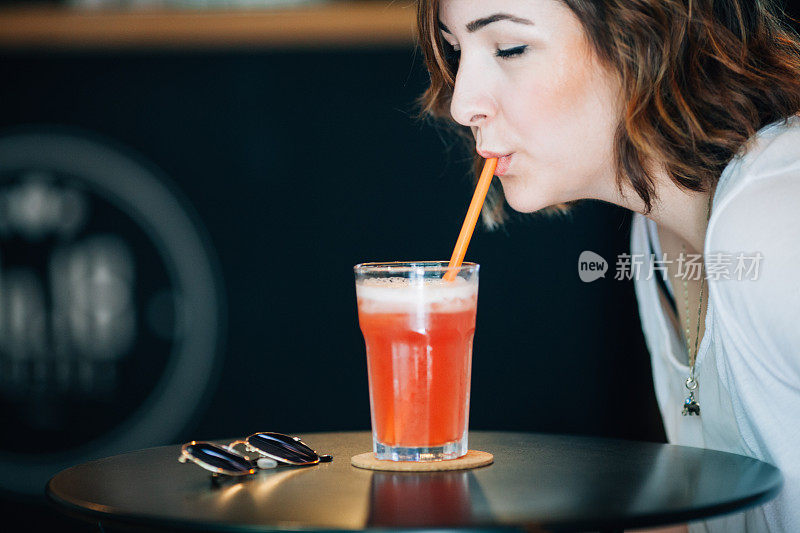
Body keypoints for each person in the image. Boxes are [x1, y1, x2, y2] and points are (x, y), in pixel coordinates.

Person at [415, 1, 800, 532]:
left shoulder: (776, 222)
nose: (462, 104)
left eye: (510, 48)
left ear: (647, 33)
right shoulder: (656, 233)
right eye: (456, 52)